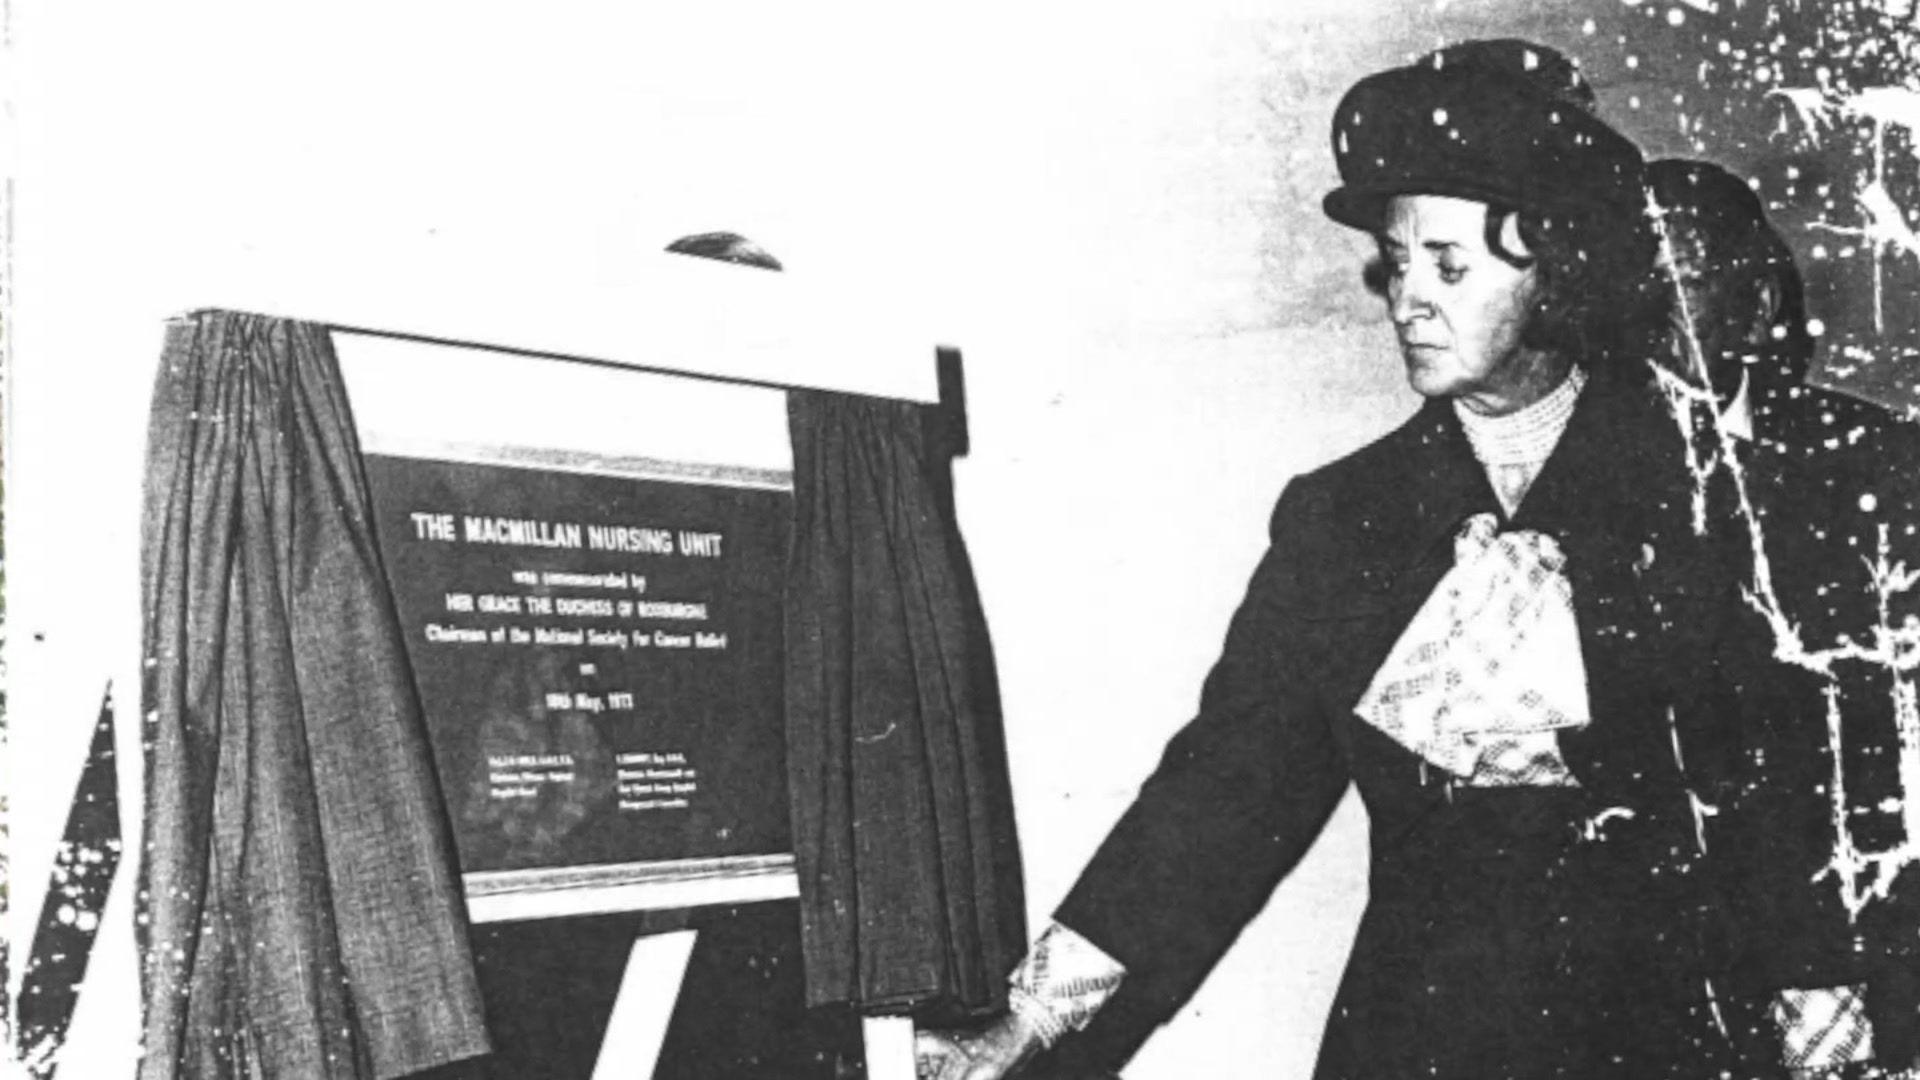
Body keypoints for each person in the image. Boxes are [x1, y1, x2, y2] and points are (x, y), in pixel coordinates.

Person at [919, 47, 1752, 1080]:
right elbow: (1221, 799)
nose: (1407, 300)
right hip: (1416, 1043)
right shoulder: (1342, 520)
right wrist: (1032, 1015)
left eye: (1451, 265)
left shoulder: (1712, 491)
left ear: (1560, 270)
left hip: (1675, 1043)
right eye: (1398, 264)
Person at [1646, 157, 1920, 1080]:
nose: (1641, 320)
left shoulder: (1886, 467)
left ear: (1759, 305)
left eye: (1675, 283)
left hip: (1852, 951)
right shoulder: (1555, 479)